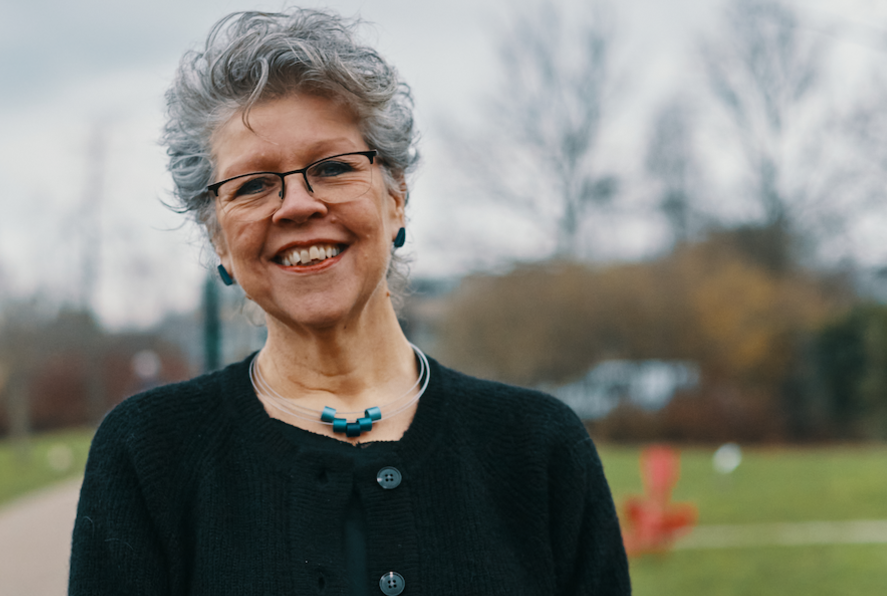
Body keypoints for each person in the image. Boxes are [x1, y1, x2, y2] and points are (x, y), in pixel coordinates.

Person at [69, 8, 630, 596]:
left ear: (396, 198)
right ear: (218, 239)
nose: (296, 205)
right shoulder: (149, 455)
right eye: (253, 184)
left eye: (333, 168)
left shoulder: (538, 449)